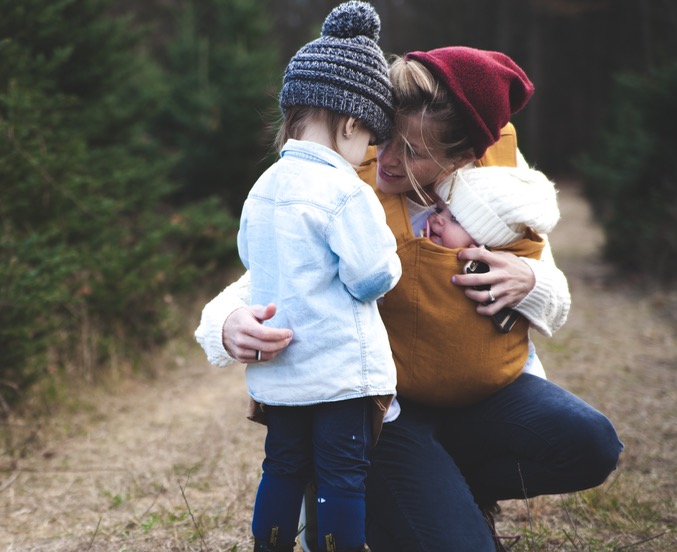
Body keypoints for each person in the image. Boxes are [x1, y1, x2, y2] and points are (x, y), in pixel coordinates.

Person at [195, 46, 623, 551]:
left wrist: (531, 281)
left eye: (415, 152)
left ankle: (440, 491)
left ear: (463, 156)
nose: (389, 160)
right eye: (387, 137)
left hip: (480, 397)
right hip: (383, 410)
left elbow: (555, 295)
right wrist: (224, 324)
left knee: (592, 444)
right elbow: (271, 270)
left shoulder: (499, 183)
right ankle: (382, 492)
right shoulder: (345, 173)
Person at [238, 3, 400, 551]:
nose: (367, 155)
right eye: (369, 140)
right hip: (338, 370)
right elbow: (372, 274)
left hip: (282, 373)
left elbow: (252, 258)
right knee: (342, 477)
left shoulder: (263, 186)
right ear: (351, 123)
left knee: (282, 466)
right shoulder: (344, 189)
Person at [392, 165, 561, 408]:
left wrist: (533, 282)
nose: (436, 219)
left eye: (455, 219)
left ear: (483, 240)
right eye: (439, 209)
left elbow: (557, 305)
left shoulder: (503, 254)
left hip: (502, 383)